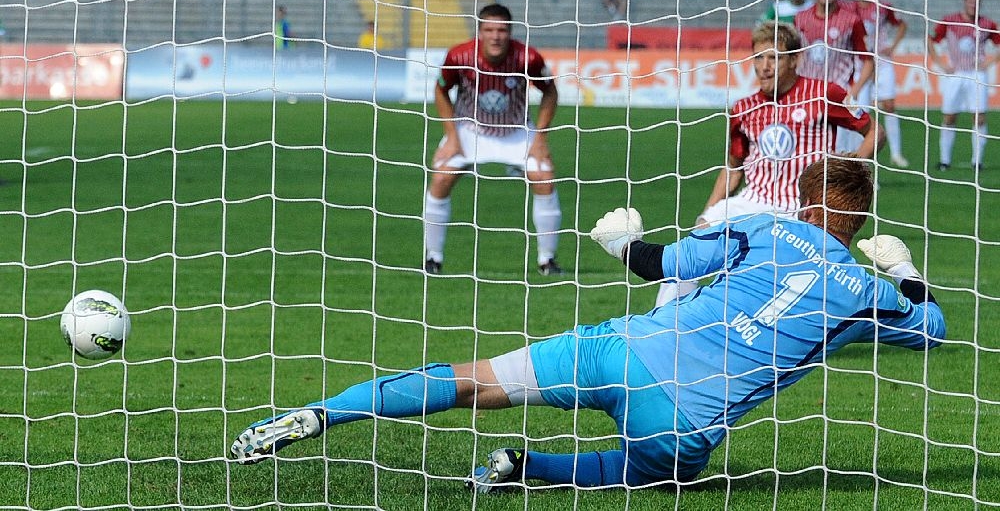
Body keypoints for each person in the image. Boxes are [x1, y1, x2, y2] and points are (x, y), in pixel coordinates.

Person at [230, 157, 945, 493]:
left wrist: (620, 243)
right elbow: (933, 327)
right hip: (681, 419)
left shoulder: (763, 227)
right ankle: (523, 470)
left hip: (623, 351)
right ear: (856, 222)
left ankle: (317, 414)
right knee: (649, 476)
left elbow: (661, 263)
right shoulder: (865, 294)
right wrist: (906, 270)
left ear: (803, 200)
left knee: (472, 383)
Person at [677, 21, 883, 305]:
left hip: (799, 208)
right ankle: (668, 318)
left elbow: (875, 132)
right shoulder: (743, 108)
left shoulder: (825, 94)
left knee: (788, 284)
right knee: (694, 243)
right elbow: (734, 167)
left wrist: (846, 173)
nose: (764, 67)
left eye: (774, 58)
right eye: (758, 57)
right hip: (753, 201)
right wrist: (708, 211)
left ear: (795, 60)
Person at [422, 3, 561, 275]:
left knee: (544, 179)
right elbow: (440, 90)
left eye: (502, 30)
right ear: (480, 32)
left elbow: (550, 91)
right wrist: (451, 136)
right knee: (440, 179)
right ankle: (433, 257)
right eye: (489, 30)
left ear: (510, 32)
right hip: (469, 130)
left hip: (515, 130)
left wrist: (540, 138)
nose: (496, 36)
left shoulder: (528, 57)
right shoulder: (459, 55)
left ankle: (547, 260)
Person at [794, 0, 874, 152]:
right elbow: (796, 55)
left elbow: (869, 61)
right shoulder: (801, 18)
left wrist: (854, 92)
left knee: (843, 151)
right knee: (807, 150)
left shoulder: (851, 20)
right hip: (808, 94)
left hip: (840, 95)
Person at [927, 0, 1000, 170]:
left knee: (979, 117)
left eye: (976, 2)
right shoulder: (949, 21)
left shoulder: (987, 24)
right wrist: (940, 63)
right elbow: (931, 39)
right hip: (955, 74)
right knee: (950, 116)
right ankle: (945, 160)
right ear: (964, 1)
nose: (973, 5)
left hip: (977, 75)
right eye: (970, 1)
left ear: (980, 3)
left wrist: (989, 62)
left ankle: (977, 161)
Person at [852, 0, 910, 168]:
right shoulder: (850, 8)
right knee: (861, 112)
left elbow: (902, 25)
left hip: (882, 62)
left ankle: (896, 153)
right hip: (861, 64)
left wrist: (892, 46)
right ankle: (861, 157)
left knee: (889, 106)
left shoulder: (883, 7)